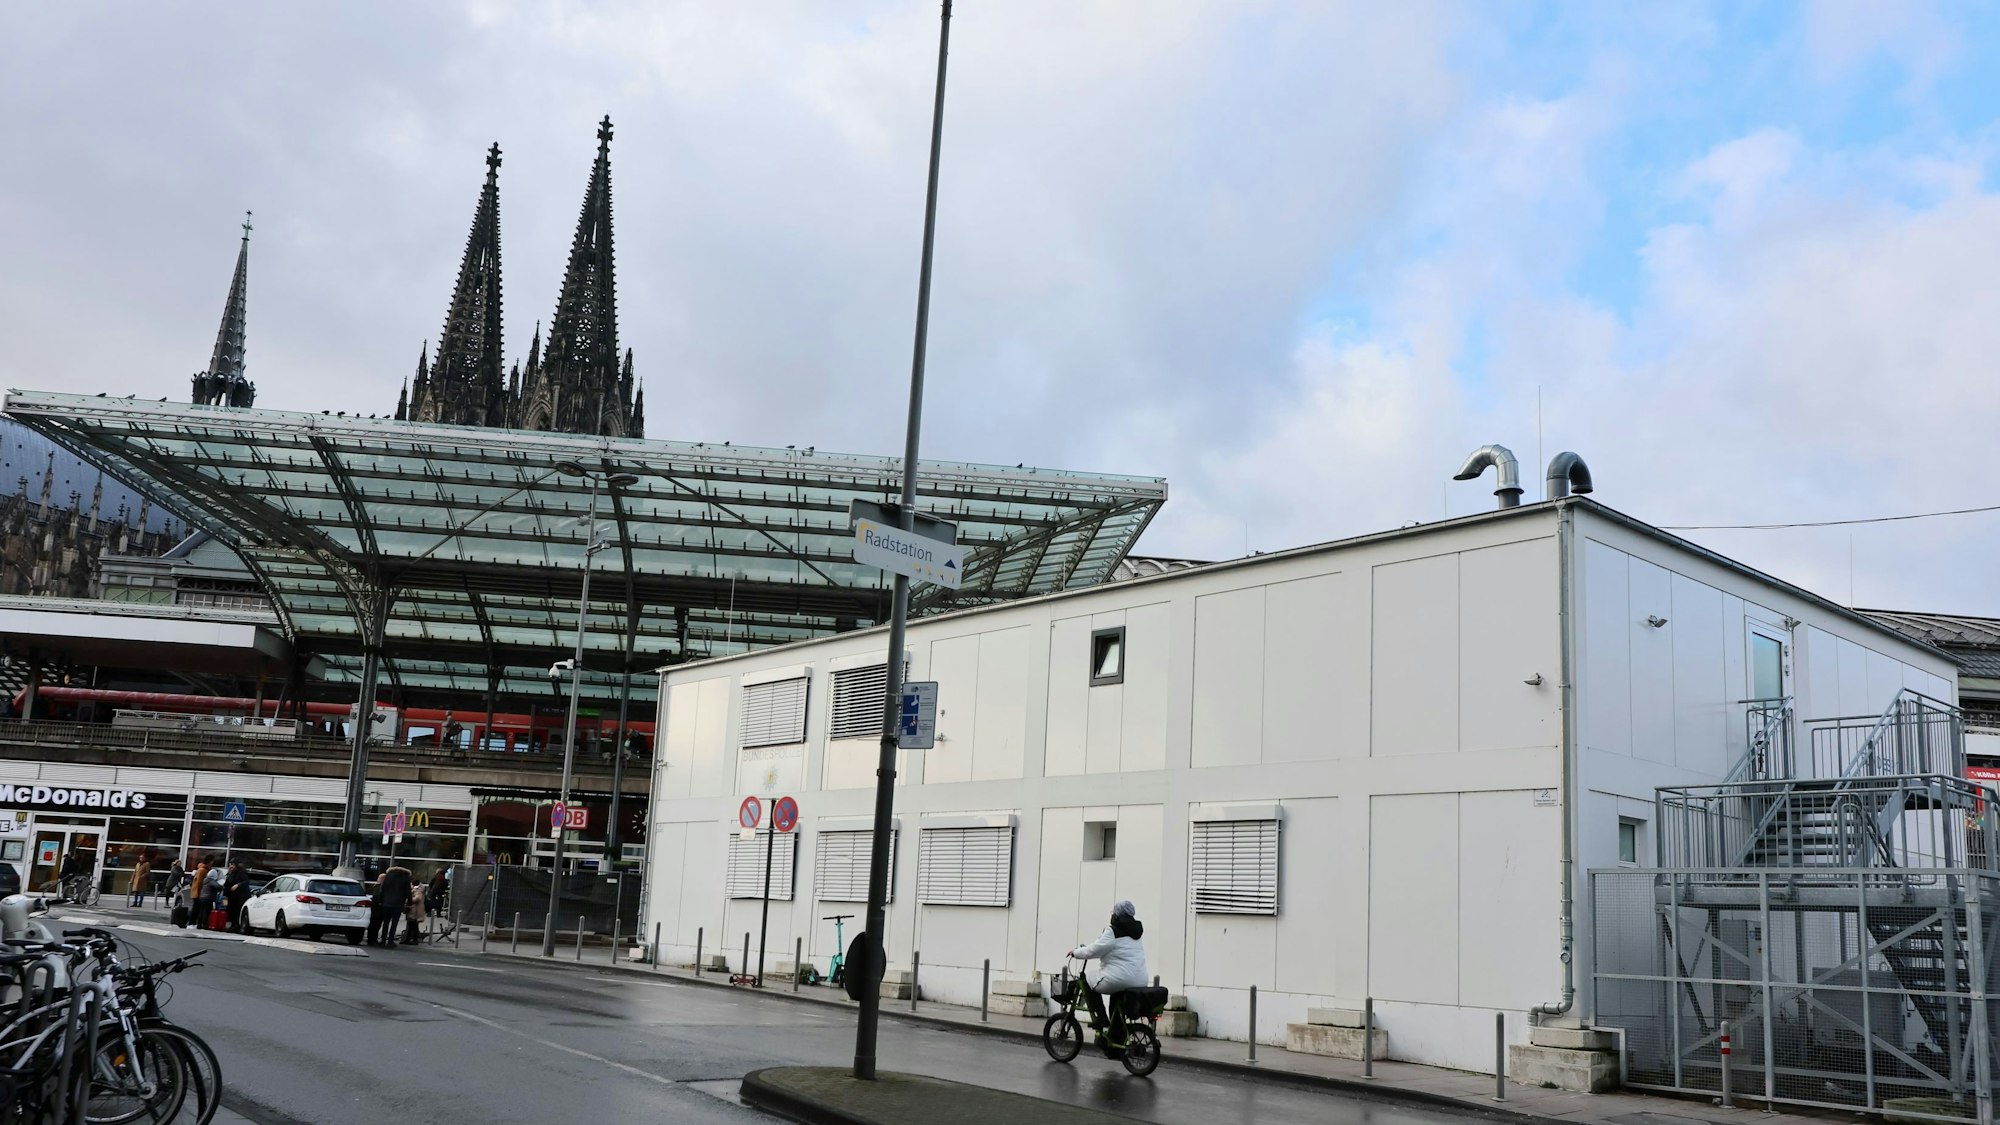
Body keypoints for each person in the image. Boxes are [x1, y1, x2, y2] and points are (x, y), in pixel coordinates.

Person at [1071, 900, 1148, 1048]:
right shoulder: (1136, 931)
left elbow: (1093, 950)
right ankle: (1114, 1038)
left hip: (1121, 978)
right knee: (1116, 998)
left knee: (1087, 979)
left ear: (1117, 916)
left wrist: (1075, 952)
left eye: (1113, 913)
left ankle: (1101, 1019)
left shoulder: (1112, 930)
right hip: (1140, 979)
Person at [373, 865, 413, 947]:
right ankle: (390, 941)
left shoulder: (388, 876)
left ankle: (383, 940)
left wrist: (381, 900)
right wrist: (409, 902)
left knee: (386, 922)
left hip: (386, 903)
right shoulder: (405, 878)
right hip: (398, 904)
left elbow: (382, 889)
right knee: (394, 923)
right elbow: (408, 891)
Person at [224, 863, 253, 933]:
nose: (231, 866)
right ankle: (233, 925)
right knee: (231, 911)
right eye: (230, 865)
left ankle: (237, 926)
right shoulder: (230, 874)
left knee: (237, 912)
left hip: (240, 897)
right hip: (232, 897)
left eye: (232, 865)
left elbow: (246, 882)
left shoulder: (241, 873)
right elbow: (227, 883)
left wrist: (238, 885)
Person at [190, 858, 213, 928]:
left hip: (197, 892)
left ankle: (193, 923)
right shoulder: (202, 870)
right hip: (198, 893)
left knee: (197, 908)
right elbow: (199, 882)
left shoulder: (202, 869)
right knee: (196, 909)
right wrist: (200, 893)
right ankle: (192, 923)